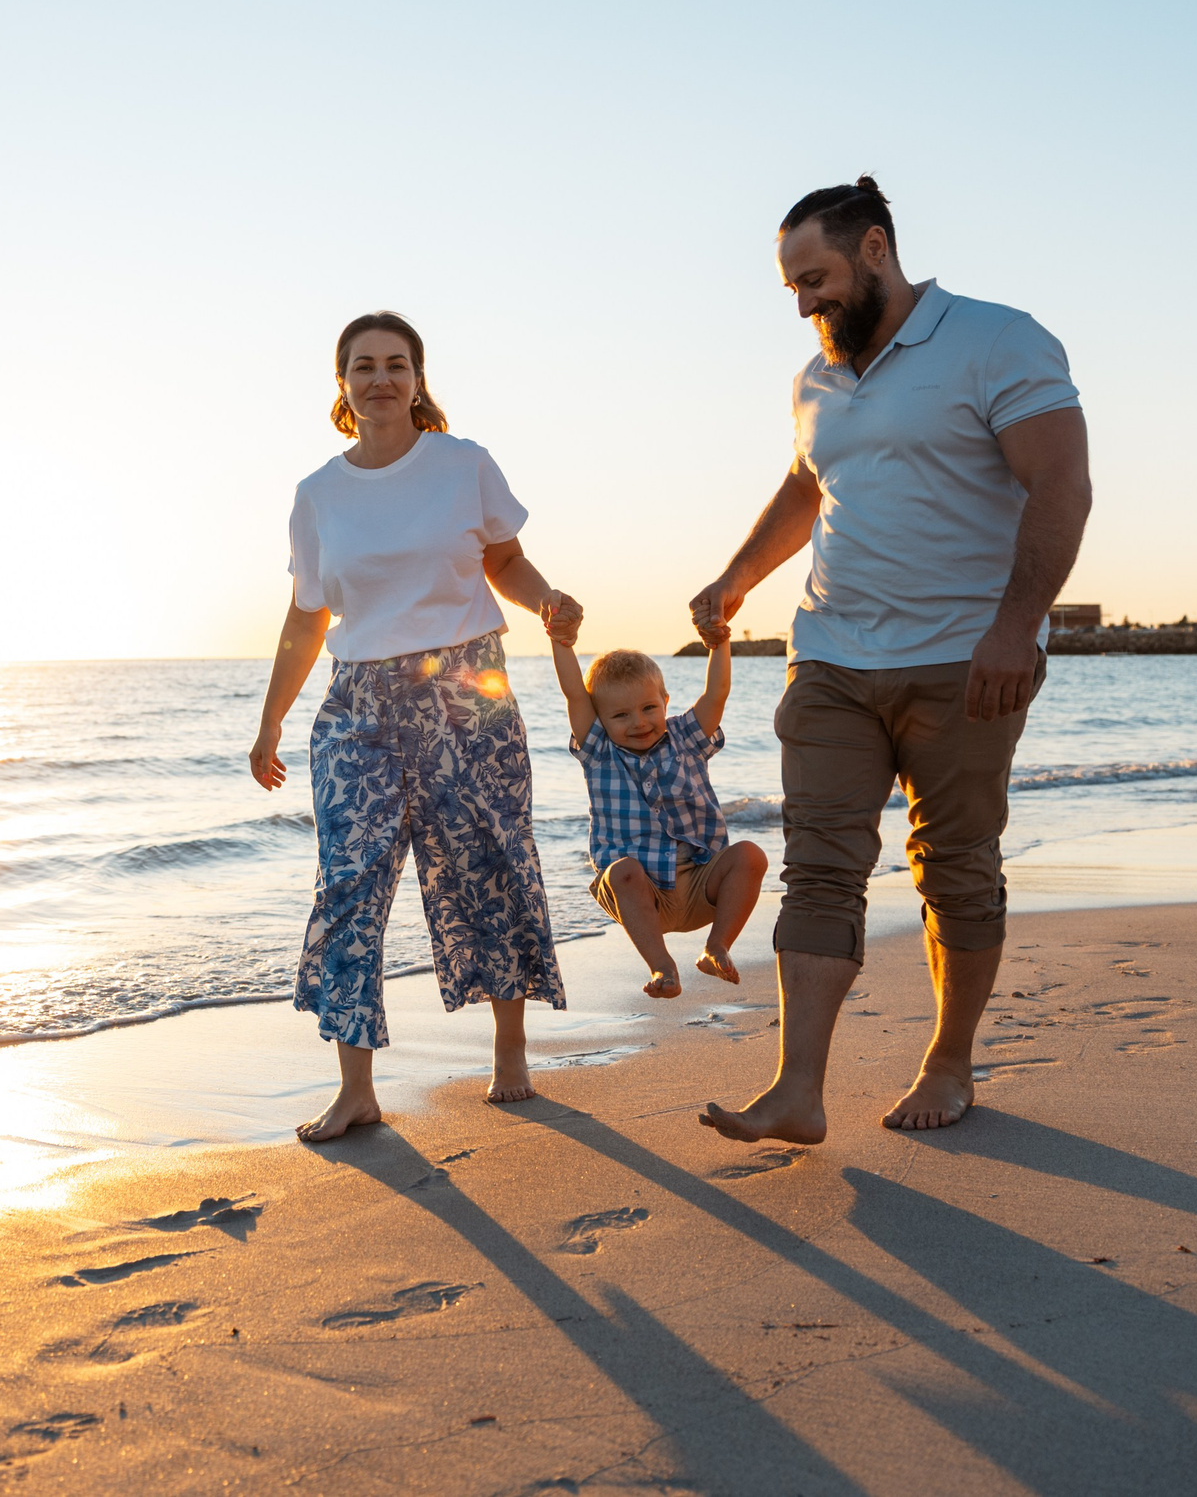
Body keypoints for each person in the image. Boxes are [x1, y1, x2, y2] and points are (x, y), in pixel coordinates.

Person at [692, 176, 1091, 1141]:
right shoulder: (816, 379)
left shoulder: (999, 340)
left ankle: (949, 1062)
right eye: (791, 287)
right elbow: (806, 481)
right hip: (829, 653)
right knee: (819, 867)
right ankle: (799, 1090)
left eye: (816, 278)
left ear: (875, 249)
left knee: (955, 865)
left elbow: (1062, 486)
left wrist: (1014, 625)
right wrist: (736, 578)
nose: (803, 303)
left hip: (966, 657)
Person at [250, 311, 578, 1144]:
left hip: (468, 687)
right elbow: (305, 618)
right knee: (351, 882)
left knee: (489, 859)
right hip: (358, 704)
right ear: (342, 383)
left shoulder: (463, 464)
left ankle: (510, 1050)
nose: (381, 379)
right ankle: (356, 1087)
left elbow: (503, 561)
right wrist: (271, 722)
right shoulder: (318, 493)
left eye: (397, 364)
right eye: (363, 365)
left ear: (419, 379)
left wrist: (545, 601)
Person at [546, 615, 768, 1002]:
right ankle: (662, 966)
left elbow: (717, 693)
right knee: (623, 871)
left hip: (703, 884)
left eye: (649, 708)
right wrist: (561, 641)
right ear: (601, 719)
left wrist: (718, 643)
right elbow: (574, 695)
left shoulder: (686, 737)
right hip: (642, 896)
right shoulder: (599, 752)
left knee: (750, 855)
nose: (639, 722)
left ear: (665, 701)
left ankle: (716, 948)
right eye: (620, 715)